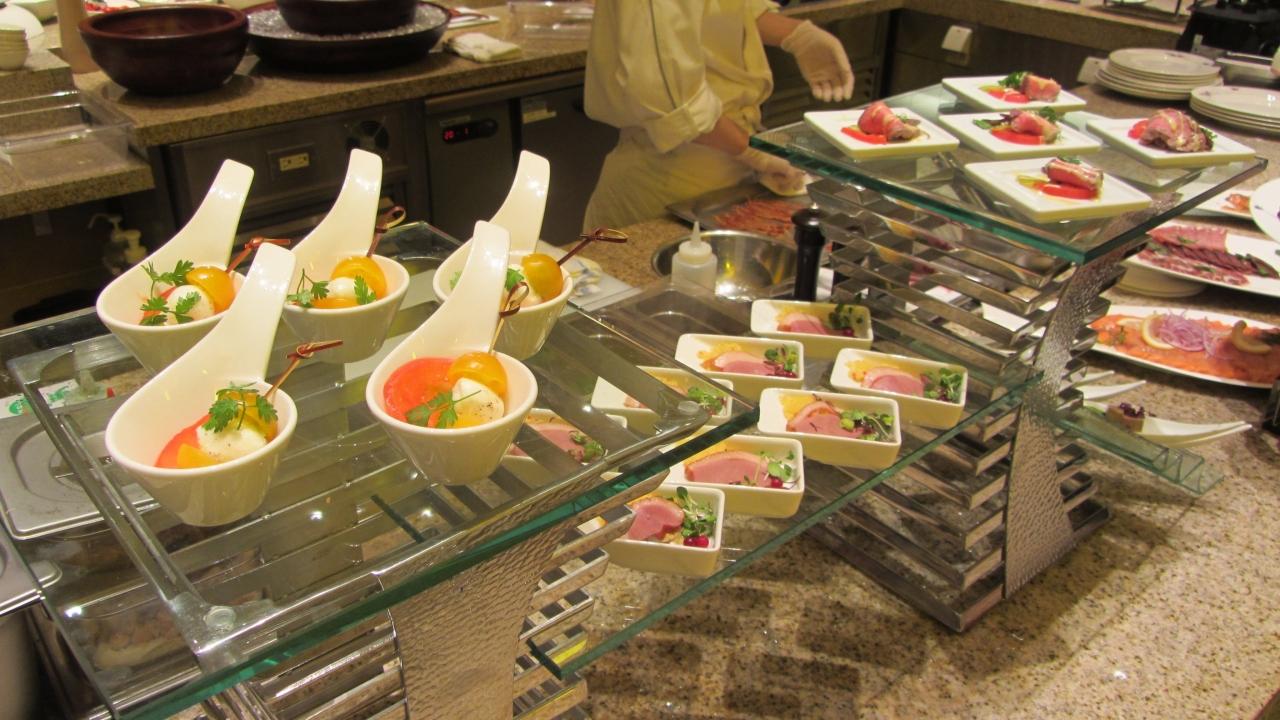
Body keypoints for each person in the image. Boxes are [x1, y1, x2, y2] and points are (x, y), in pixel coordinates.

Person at [582, 1, 854, 231]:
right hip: (667, 180)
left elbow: (723, 8)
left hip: (728, 170)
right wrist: (752, 152)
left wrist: (798, 35)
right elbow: (675, 101)